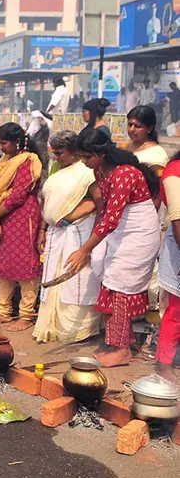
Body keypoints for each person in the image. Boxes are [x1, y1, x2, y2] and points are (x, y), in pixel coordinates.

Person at [64, 128, 161, 367]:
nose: (84, 162)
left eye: (87, 157)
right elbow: (104, 209)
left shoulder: (124, 174)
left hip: (138, 234)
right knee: (109, 281)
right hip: (118, 231)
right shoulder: (100, 170)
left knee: (121, 287)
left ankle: (121, 350)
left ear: (102, 153)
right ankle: (122, 342)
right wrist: (92, 246)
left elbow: (111, 218)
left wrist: (85, 249)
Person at [33, 131, 102, 344]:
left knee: (75, 279)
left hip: (78, 232)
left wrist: (72, 216)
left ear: (74, 152)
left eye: (60, 153)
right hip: (55, 232)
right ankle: (51, 325)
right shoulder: (57, 170)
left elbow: (100, 201)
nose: (56, 157)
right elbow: (48, 204)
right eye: (54, 153)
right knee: (54, 276)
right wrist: (42, 230)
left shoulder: (86, 172)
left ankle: (77, 330)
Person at [0, 123, 44, 332]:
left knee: (26, 265)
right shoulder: (5, 161)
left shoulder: (28, 161)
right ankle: (4, 311)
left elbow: (18, 195)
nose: (1, 147)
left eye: (4, 143)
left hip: (22, 216)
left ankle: (26, 314)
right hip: (3, 214)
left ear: (17, 142)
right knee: (2, 262)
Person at [156, 150, 180, 382]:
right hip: (179, 244)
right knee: (177, 309)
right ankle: (164, 364)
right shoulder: (174, 172)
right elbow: (178, 219)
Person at [124, 105, 168, 177]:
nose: (132, 129)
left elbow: (158, 183)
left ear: (149, 128)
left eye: (138, 126)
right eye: (130, 124)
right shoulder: (125, 146)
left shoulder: (156, 154)